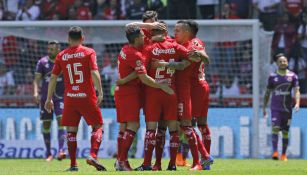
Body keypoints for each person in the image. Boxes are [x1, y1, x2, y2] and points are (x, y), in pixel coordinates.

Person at [44, 26, 106, 172]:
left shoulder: (61, 55)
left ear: (68, 39)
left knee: (71, 131)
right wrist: (101, 92)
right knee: (98, 127)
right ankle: (92, 155)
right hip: (86, 96)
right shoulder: (89, 52)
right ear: (83, 38)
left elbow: (53, 77)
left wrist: (48, 98)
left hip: (70, 98)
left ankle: (73, 165)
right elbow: (94, 72)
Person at [114, 24, 174, 171]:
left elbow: (136, 71)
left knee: (127, 126)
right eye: (142, 35)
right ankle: (121, 161)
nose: (144, 37)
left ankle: (122, 161)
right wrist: (162, 86)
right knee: (132, 126)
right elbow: (144, 78)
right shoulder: (135, 54)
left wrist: (124, 79)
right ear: (136, 39)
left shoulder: (125, 49)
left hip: (125, 90)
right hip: (129, 92)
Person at [263, 53, 300, 161]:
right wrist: (264, 107)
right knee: (275, 128)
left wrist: (297, 103)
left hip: (287, 108)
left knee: (285, 131)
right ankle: (275, 152)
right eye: (280, 61)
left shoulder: (293, 76)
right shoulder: (272, 77)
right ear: (277, 63)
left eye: (284, 61)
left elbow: (297, 91)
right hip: (275, 107)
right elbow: (267, 93)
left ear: (287, 62)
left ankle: (283, 155)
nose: (282, 63)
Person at [33, 40, 66, 162]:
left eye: (52, 49)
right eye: (49, 49)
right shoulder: (42, 62)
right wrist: (35, 92)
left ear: (58, 49)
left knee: (61, 121)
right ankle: (48, 153)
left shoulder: (63, 61)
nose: (49, 51)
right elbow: (36, 80)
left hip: (60, 97)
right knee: (46, 125)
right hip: (45, 98)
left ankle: (61, 150)